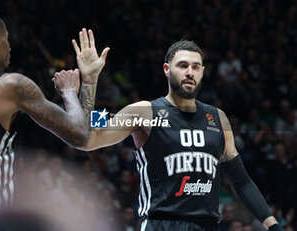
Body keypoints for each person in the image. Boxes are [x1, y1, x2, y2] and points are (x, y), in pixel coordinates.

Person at [54, 30, 283, 231]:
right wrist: (90, 79)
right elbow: (87, 133)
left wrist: (272, 225)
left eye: (195, 67)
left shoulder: (218, 118)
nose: (190, 72)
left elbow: (241, 181)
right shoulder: (144, 111)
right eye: (183, 65)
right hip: (160, 223)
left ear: (203, 72)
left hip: (208, 225)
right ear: (166, 69)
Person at [0, 8, 106, 207]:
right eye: (7, 39)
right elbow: (80, 134)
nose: (10, 47)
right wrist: (70, 91)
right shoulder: (10, 85)